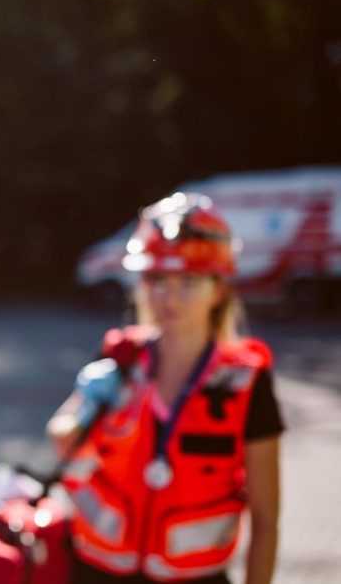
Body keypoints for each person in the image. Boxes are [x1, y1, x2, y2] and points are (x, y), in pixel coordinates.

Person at [47, 193, 282, 584]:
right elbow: (61, 439)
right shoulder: (118, 355)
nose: (169, 295)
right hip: (95, 570)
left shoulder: (247, 381)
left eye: (188, 281)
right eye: (157, 279)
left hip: (195, 577)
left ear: (219, 289)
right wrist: (86, 406)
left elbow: (266, 518)